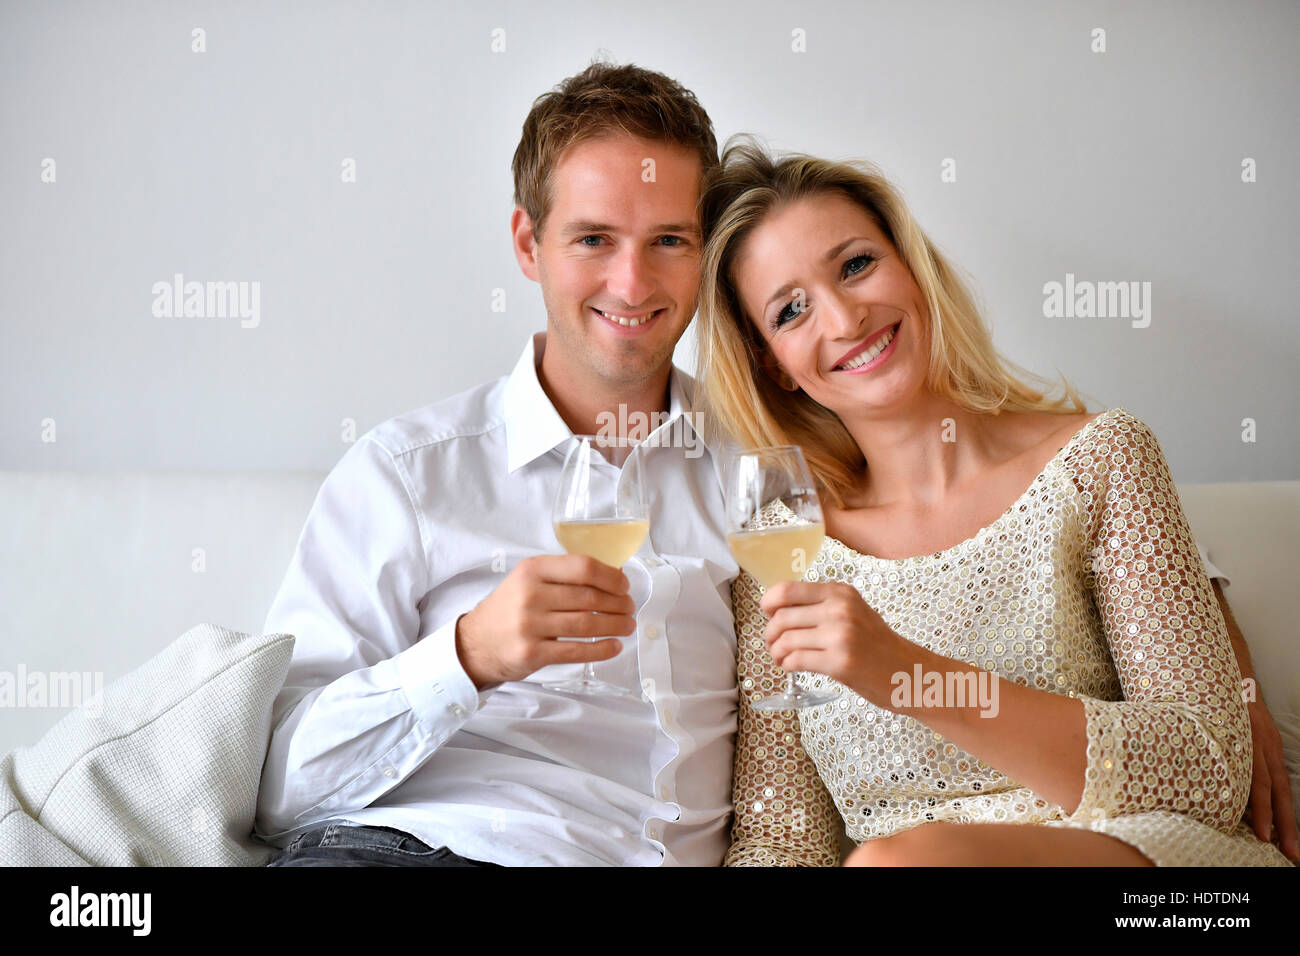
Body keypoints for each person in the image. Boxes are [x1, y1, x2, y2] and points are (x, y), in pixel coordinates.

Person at [696, 138, 1295, 866]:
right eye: (791, 311)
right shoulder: (782, 552)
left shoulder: (1101, 459)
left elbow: (1208, 767)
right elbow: (780, 836)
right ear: (773, 365)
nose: (845, 318)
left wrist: (908, 676)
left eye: (856, 265)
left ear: (913, 269)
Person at [253, 62, 738, 866]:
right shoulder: (407, 475)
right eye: (593, 239)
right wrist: (469, 655)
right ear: (528, 244)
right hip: (405, 851)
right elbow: (276, 791)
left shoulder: (757, 474)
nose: (632, 281)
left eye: (669, 242)